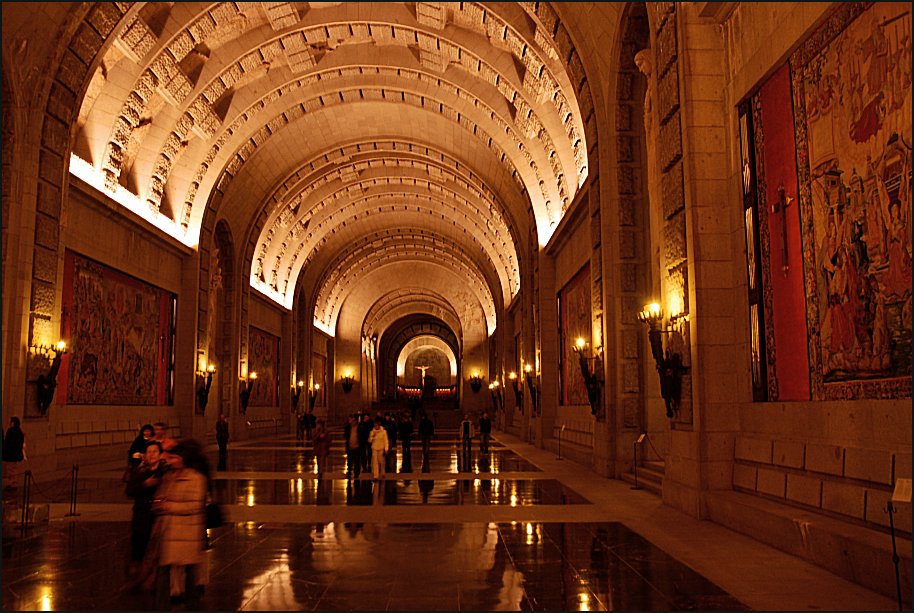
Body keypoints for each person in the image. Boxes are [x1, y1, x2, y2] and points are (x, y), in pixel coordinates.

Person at [150, 441, 209, 610]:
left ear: (184, 459)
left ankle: (192, 604)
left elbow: (195, 505)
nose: (171, 460)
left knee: (190, 572)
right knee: (163, 571)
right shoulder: (169, 476)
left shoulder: (196, 479)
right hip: (169, 532)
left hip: (187, 532)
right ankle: (161, 606)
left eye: (174, 457)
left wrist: (167, 506)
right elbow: (161, 496)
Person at [126, 440, 167, 581]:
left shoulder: (165, 472)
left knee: (157, 548)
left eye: (155, 451)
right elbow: (129, 490)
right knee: (139, 545)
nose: (152, 454)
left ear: (160, 454)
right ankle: (138, 575)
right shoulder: (140, 471)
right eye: (149, 452)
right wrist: (145, 484)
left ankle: (154, 577)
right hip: (141, 515)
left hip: (158, 516)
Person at [2, 417, 25, 491]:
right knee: (13, 469)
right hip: (15, 455)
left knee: (11, 470)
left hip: (10, 455)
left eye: (11, 422)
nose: (9, 423)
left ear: (13, 423)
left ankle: (12, 484)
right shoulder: (19, 432)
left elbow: (8, 443)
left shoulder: (11, 431)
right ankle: (13, 484)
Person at [343, 415, 361, 481]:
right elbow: (345, 435)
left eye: (353, 421)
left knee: (357, 462)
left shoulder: (359, 428)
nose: (351, 422)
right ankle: (349, 472)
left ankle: (356, 474)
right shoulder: (348, 428)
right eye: (351, 421)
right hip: (350, 447)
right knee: (349, 461)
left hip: (357, 447)